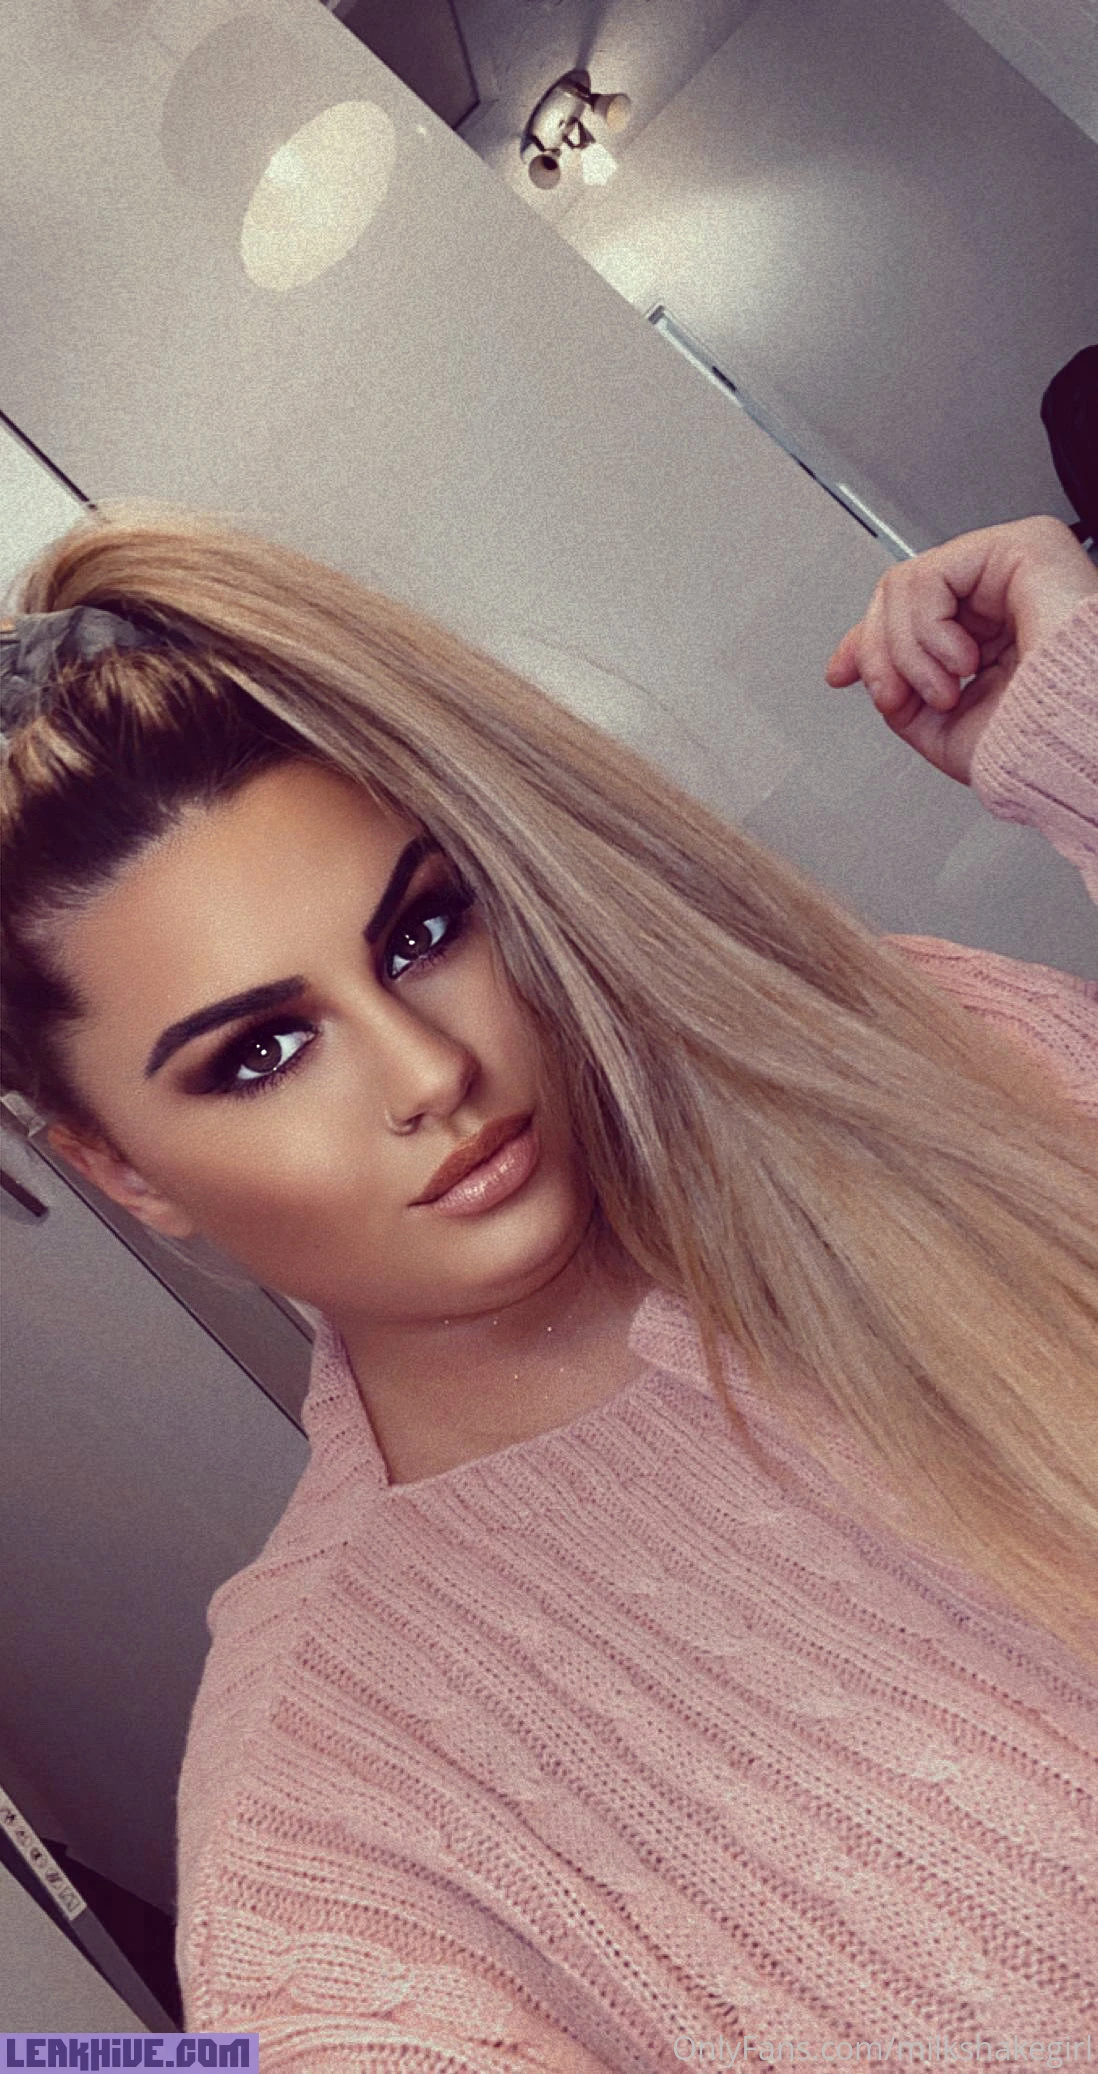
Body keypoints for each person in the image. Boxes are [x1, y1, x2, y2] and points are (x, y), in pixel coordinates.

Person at [1, 501, 1096, 2064]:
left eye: (422, 929)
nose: (426, 1071)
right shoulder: (331, 1798)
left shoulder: (909, 1072)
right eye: (263, 1051)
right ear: (124, 1169)